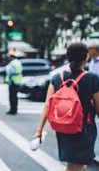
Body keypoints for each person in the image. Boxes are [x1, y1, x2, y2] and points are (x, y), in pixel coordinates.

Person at [35, 42, 99, 171]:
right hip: (84, 129)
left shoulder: (57, 78)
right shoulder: (92, 78)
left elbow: (48, 105)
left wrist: (39, 129)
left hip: (63, 127)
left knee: (80, 164)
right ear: (85, 56)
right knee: (74, 166)